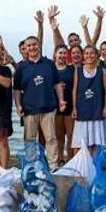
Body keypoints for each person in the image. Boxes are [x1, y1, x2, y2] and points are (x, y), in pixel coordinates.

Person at [14, 36, 67, 170]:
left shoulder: (49, 63)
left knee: (51, 138)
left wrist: (61, 100)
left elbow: (57, 83)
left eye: (34, 45)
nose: (32, 48)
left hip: (48, 107)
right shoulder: (21, 67)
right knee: (30, 140)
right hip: (29, 109)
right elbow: (17, 89)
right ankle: (31, 165)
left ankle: (53, 165)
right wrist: (18, 105)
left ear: (39, 45)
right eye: (29, 46)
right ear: (25, 48)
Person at [71, 45, 106, 156]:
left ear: (96, 55)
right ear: (83, 56)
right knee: (80, 140)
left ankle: (94, 163)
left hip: (97, 108)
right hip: (82, 108)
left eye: (92, 53)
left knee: (95, 139)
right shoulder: (78, 71)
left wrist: (105, 108)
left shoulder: (102, 70)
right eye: (86, 53)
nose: (89, 55)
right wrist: (74, 108)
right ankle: (81, 164)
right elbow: (75, 89)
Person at [54, 45, 75, 165]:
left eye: (64, 53)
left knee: (71, 134)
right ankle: (60, 158)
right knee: (59, 134)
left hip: (69, 106)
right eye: (60, 53)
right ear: (55, 55)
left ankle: (70, 158)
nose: (62, 55)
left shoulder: (71, 69)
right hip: (55, 106)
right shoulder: (51, 69)